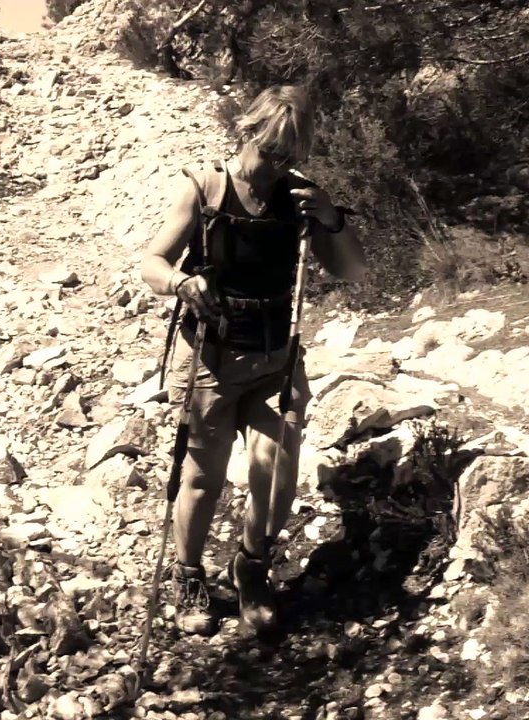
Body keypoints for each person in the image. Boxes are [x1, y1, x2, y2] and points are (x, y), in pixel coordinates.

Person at [139, 84, 368, 636]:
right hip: (211, 360)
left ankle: (250, 565)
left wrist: (333, 220)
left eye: (289, 158)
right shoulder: (204, 189)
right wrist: (180, 281)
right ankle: (189, 573)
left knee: (278, 468)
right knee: (201, 478)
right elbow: (151, 261)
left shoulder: (301, 199)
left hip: (276, 357)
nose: (276, 168)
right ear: (246, 132)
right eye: (270, 152)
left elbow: (353, 271)